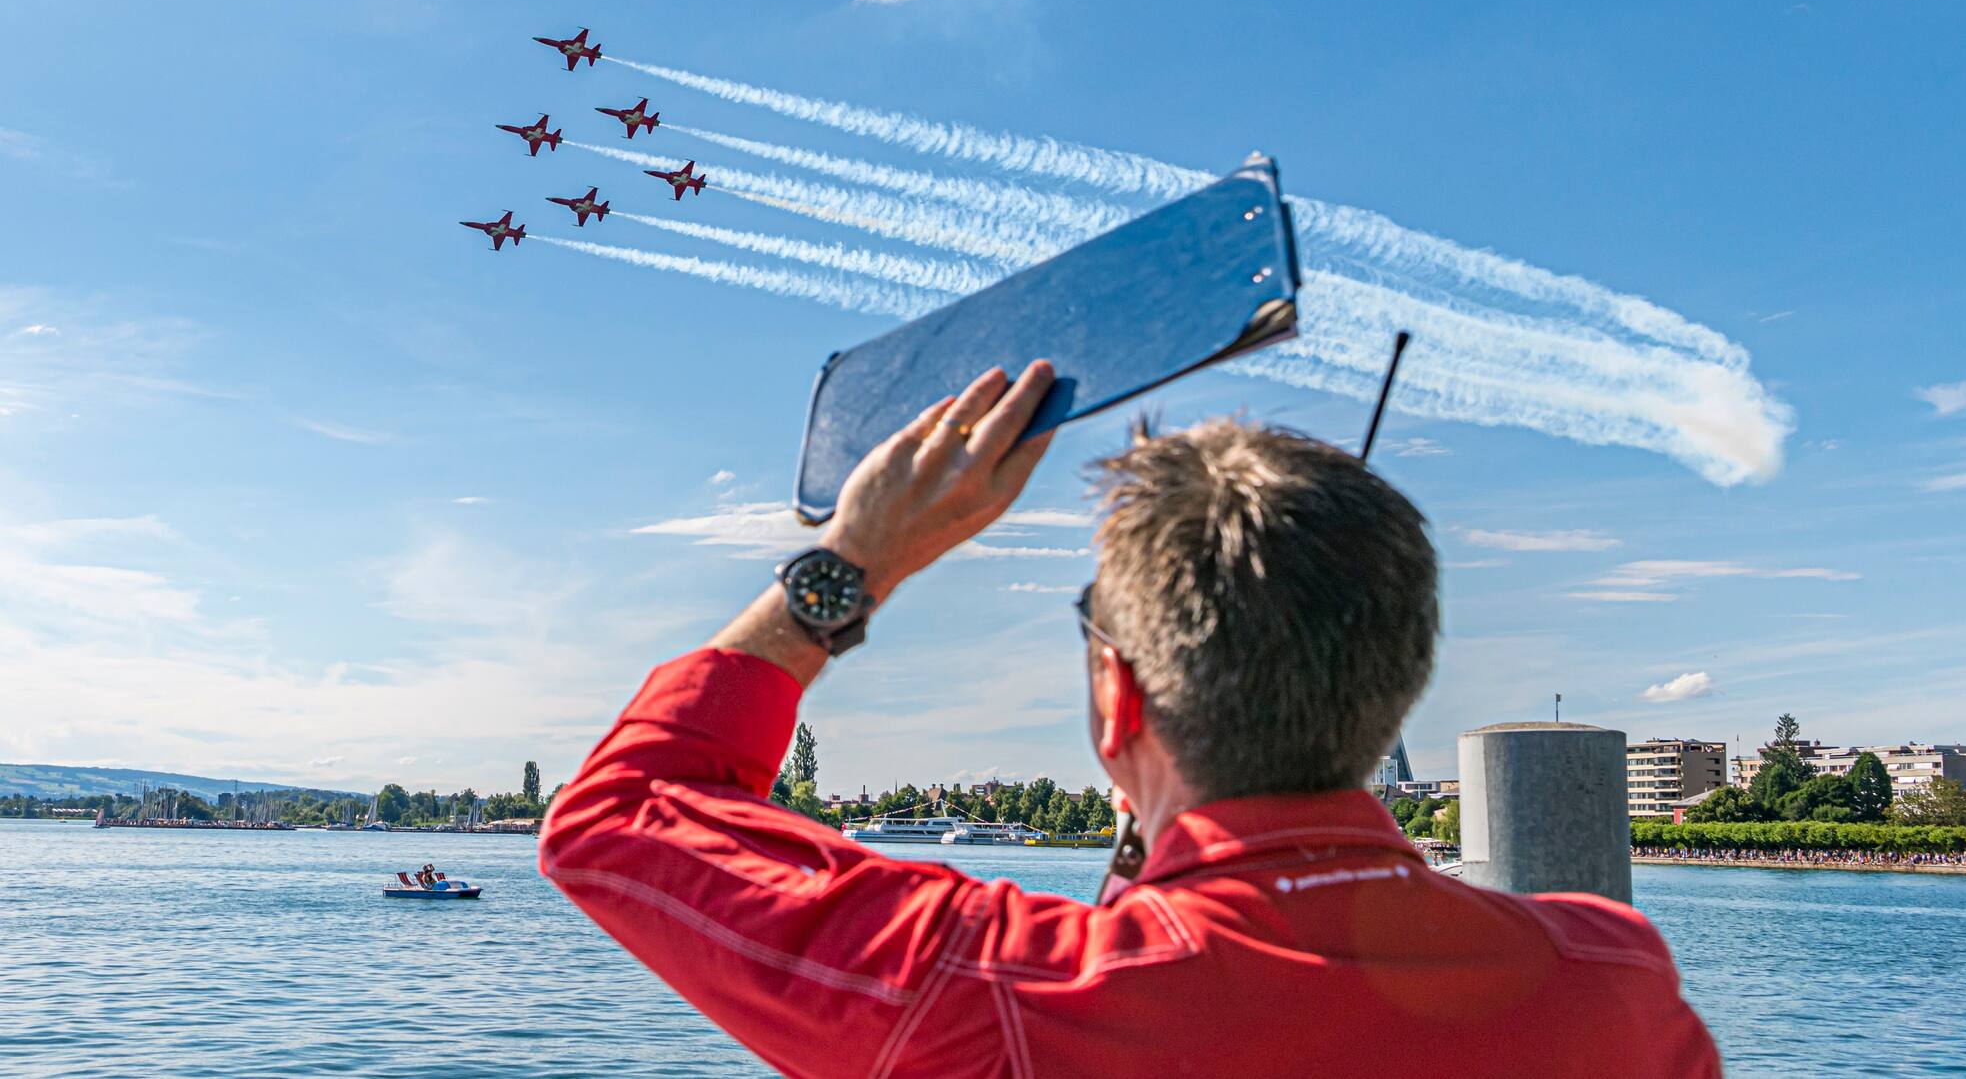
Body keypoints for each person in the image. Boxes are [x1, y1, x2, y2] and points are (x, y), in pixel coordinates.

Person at [541, 362, 1720, 1077]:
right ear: (1398, 679)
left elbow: (617, 818)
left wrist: (855, 559)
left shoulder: (1005, 992)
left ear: (1117, 698)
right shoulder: (1609, 977)